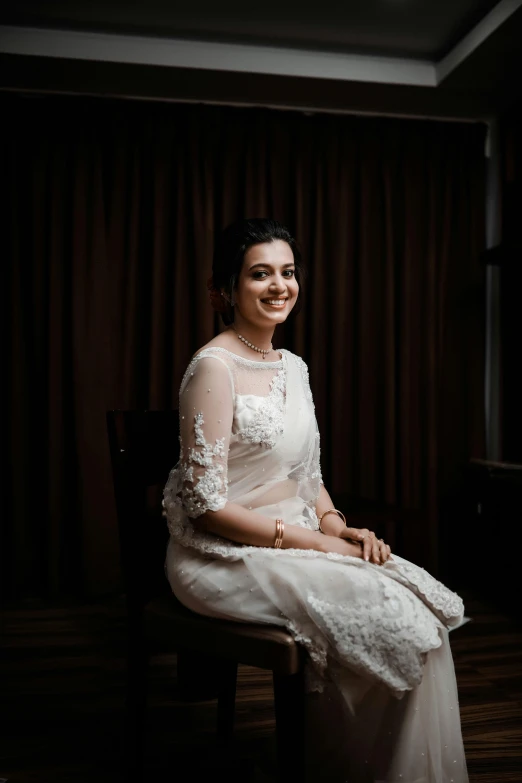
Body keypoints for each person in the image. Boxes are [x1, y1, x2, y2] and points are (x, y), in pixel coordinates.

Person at [163, 218, 468, 782]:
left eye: (288, 272)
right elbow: (206, 506)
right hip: (220, 552)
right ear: (225, 289)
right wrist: (315, 543)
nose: (280, 285)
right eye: (260, 274)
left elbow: (307, 475)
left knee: (424, 613)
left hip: (298, 533)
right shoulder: (214, 367)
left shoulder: (294, 367)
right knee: (399, 625)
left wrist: (336, 525)